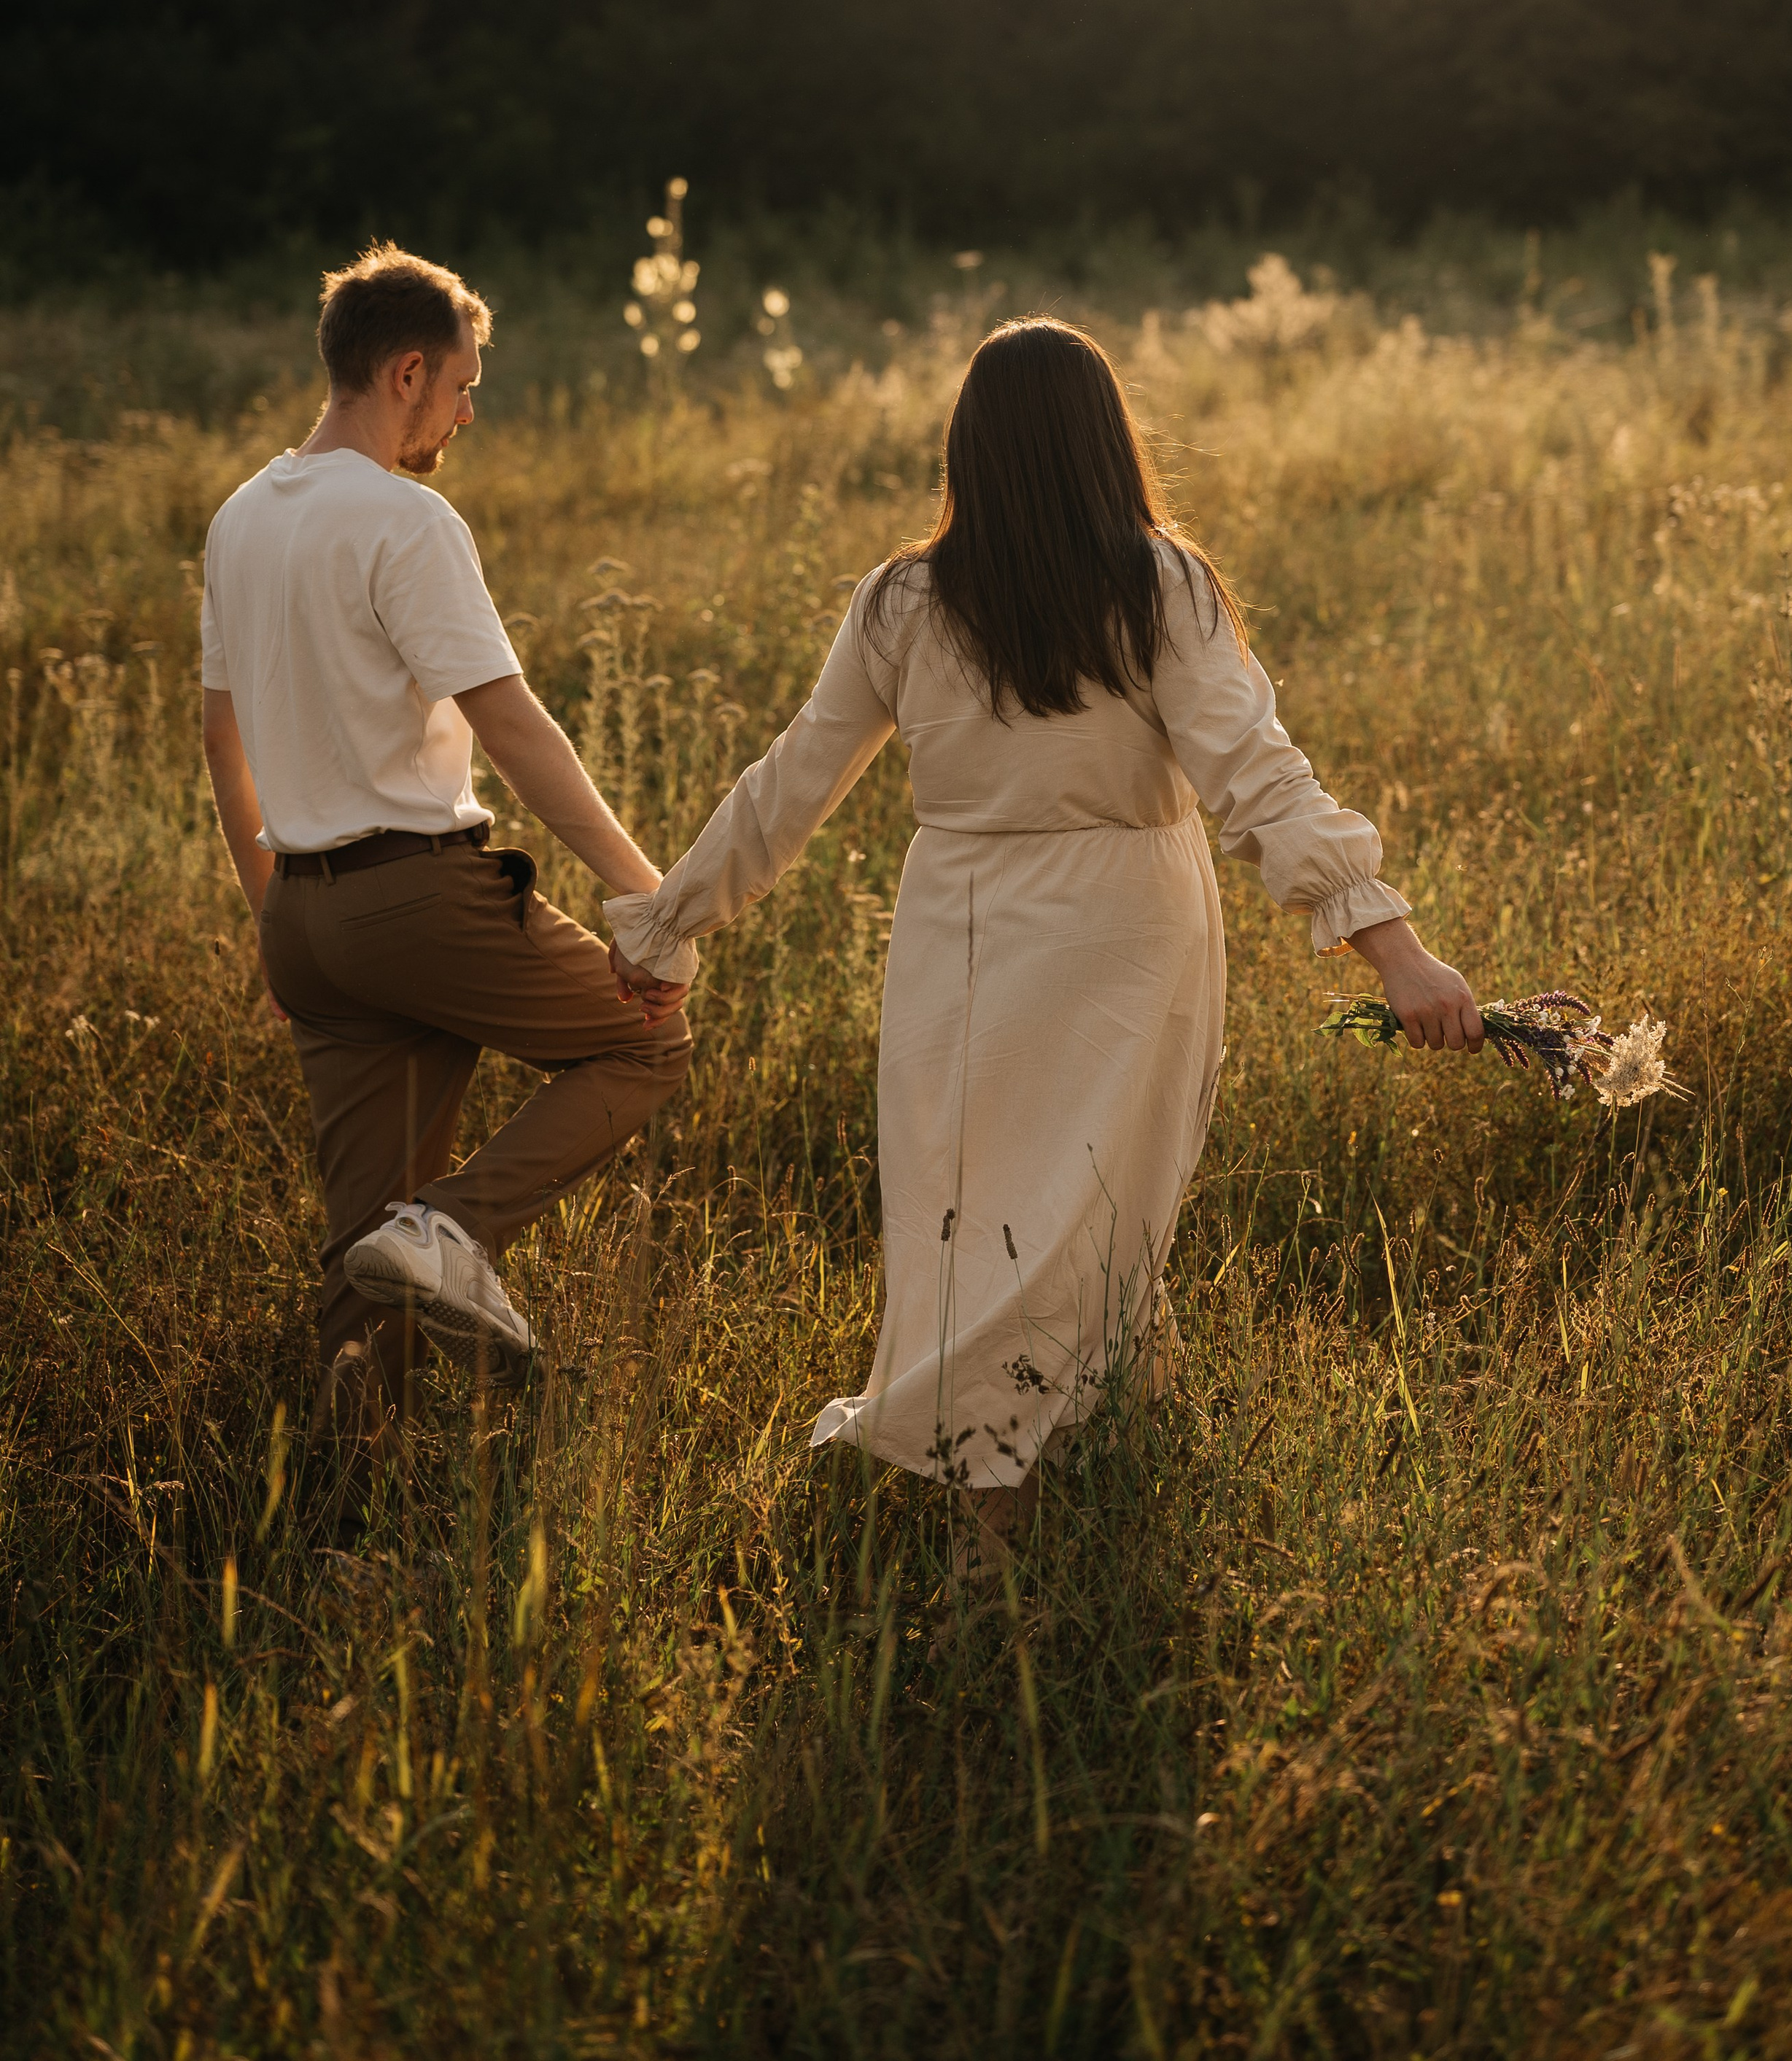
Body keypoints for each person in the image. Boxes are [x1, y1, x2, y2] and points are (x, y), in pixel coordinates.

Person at [605, 317, 1480, 1550]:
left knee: (980, 1217)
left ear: (970, 449)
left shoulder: (906, 597)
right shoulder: (1154, 580)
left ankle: (1071, 1474)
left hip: (961, 931)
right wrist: (1397, 950)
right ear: (1103, 442)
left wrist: (667, 926)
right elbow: (1256, 776)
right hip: (1127, 929)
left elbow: (787, 785)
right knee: (1081, 1210)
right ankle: (1001, 1514)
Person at [199, 244, 691, 1430]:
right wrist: (649, 897)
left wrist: (272, 915)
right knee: (647, 1044)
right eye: (466, 385)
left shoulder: (239, 518)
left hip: (308, 918)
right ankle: (455, 1230)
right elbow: (510, 723)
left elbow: (225, 743)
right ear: (408, 371)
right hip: (415, 897)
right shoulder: (406, 520)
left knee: (362, 1243)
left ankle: (346, 1508)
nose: (468, 412)